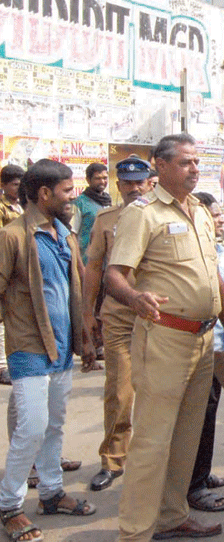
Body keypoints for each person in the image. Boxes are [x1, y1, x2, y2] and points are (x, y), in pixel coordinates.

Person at [104, 133, 224, 541]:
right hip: (164, 338)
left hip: (203, 339)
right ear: (160, 167)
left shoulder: (198, 210)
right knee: (151, 441)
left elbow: (210, 272)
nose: (195, 169)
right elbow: (113, 276)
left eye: (197, 162)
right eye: (185, 162)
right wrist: (135, 298)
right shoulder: (142, 213)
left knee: (186, 436)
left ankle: (171, 515)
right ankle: (135, 531)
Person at [0, 159, 97, 542]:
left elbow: (75, 289)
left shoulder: (64, 233)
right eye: (67, 191)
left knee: (54, 424)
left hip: (62, 347)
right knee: (32, 428)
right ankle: (9, 505)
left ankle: (53, 493)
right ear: (44, 194)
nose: (72, 197)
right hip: (28, 347)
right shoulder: (12, 236)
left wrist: (86, 339)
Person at [82, 157, 156, 493]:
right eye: (128, 183)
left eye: (141, 181)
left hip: (160, 316)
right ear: (118, 185)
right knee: (119, 391)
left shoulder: (164, 215)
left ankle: (160, 460)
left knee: (161, 393)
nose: (135, 188)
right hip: (119, 316)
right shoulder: (106, 219)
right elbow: (94, 269)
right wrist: (86, 316)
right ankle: (113, 458)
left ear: (151, 182)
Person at [187, 192, 224, 513]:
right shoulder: (199, 253)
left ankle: (201, 474)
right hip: (204, 345)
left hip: (220, 345)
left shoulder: (220, 250)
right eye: (213, 215)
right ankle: (193, 485)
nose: (218, 220)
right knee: (199, 416)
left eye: (219, 215)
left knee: (209, 413)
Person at [0, 164, 25, 386]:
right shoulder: (2, 208)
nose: (18, 189)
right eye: (15, 185)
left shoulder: (23, 207)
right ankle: (1, 366)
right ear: (3, 185)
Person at [71, 162, 111, 263]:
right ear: (88, 180)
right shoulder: (79, 203)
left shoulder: (107, 202)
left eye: (105, 178)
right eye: (98, 178)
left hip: (105, 262)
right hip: (86, 261)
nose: (102, 181)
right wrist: (79, 265)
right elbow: (72, 235)